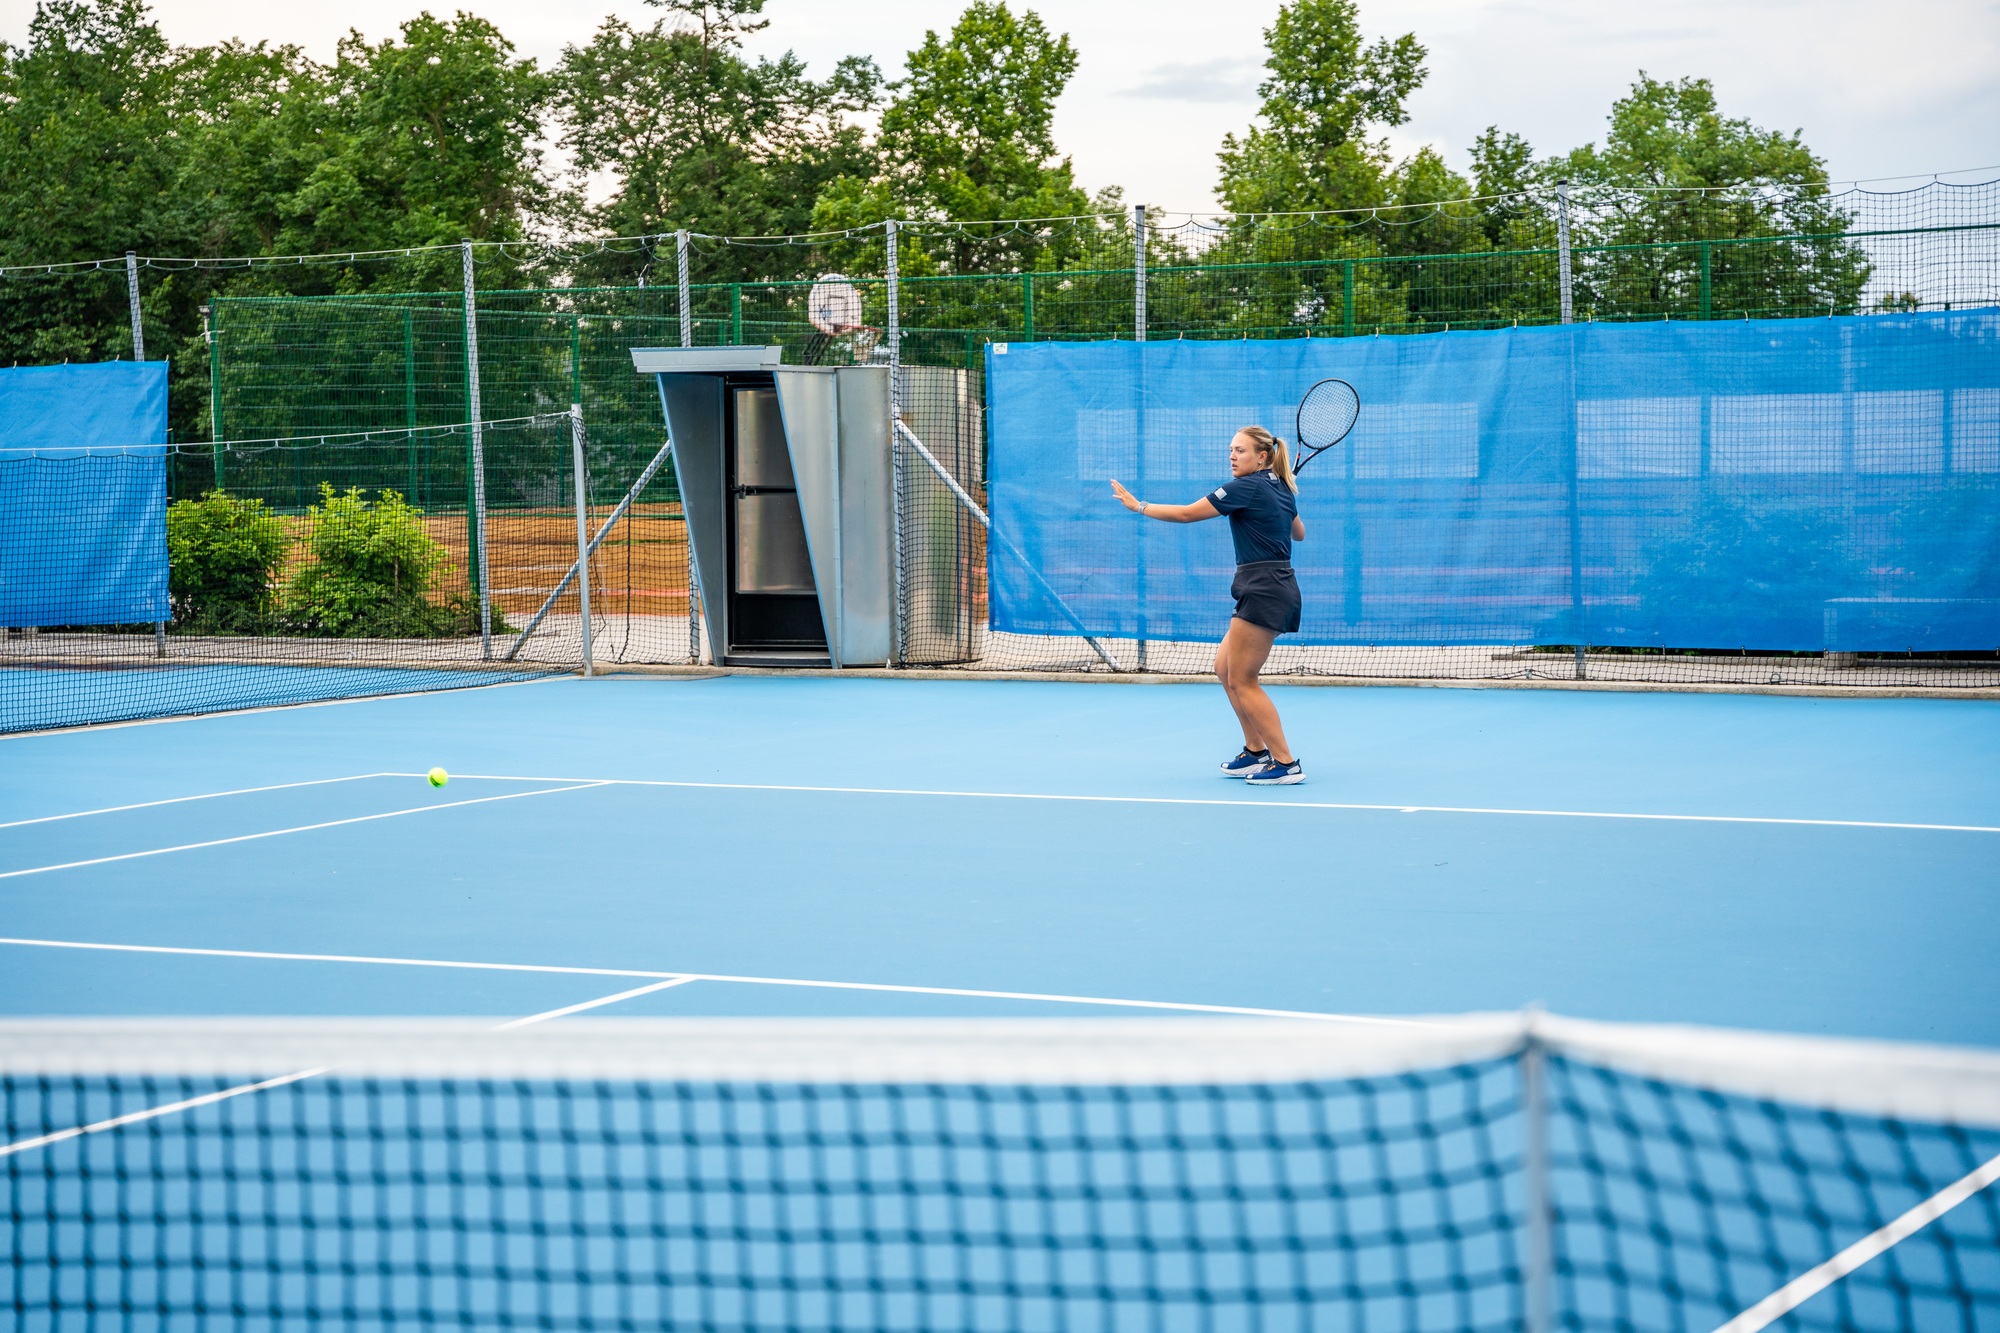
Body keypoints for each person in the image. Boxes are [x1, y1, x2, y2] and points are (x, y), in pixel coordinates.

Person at [1110, 427, 1306, 785]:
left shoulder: (1245, 487)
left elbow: (1186, 514)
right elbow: (1299, 533)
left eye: (1241, 451)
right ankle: (1255, 751)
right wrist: (1280, 500)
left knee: (1244, 680)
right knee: (1224, 668)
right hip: (1269, 585)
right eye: (1231, 450)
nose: (1232, 456)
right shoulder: (1280, 488)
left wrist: (1139, 506)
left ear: (1262, 456)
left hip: (1264, 588)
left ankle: (1285, 762)